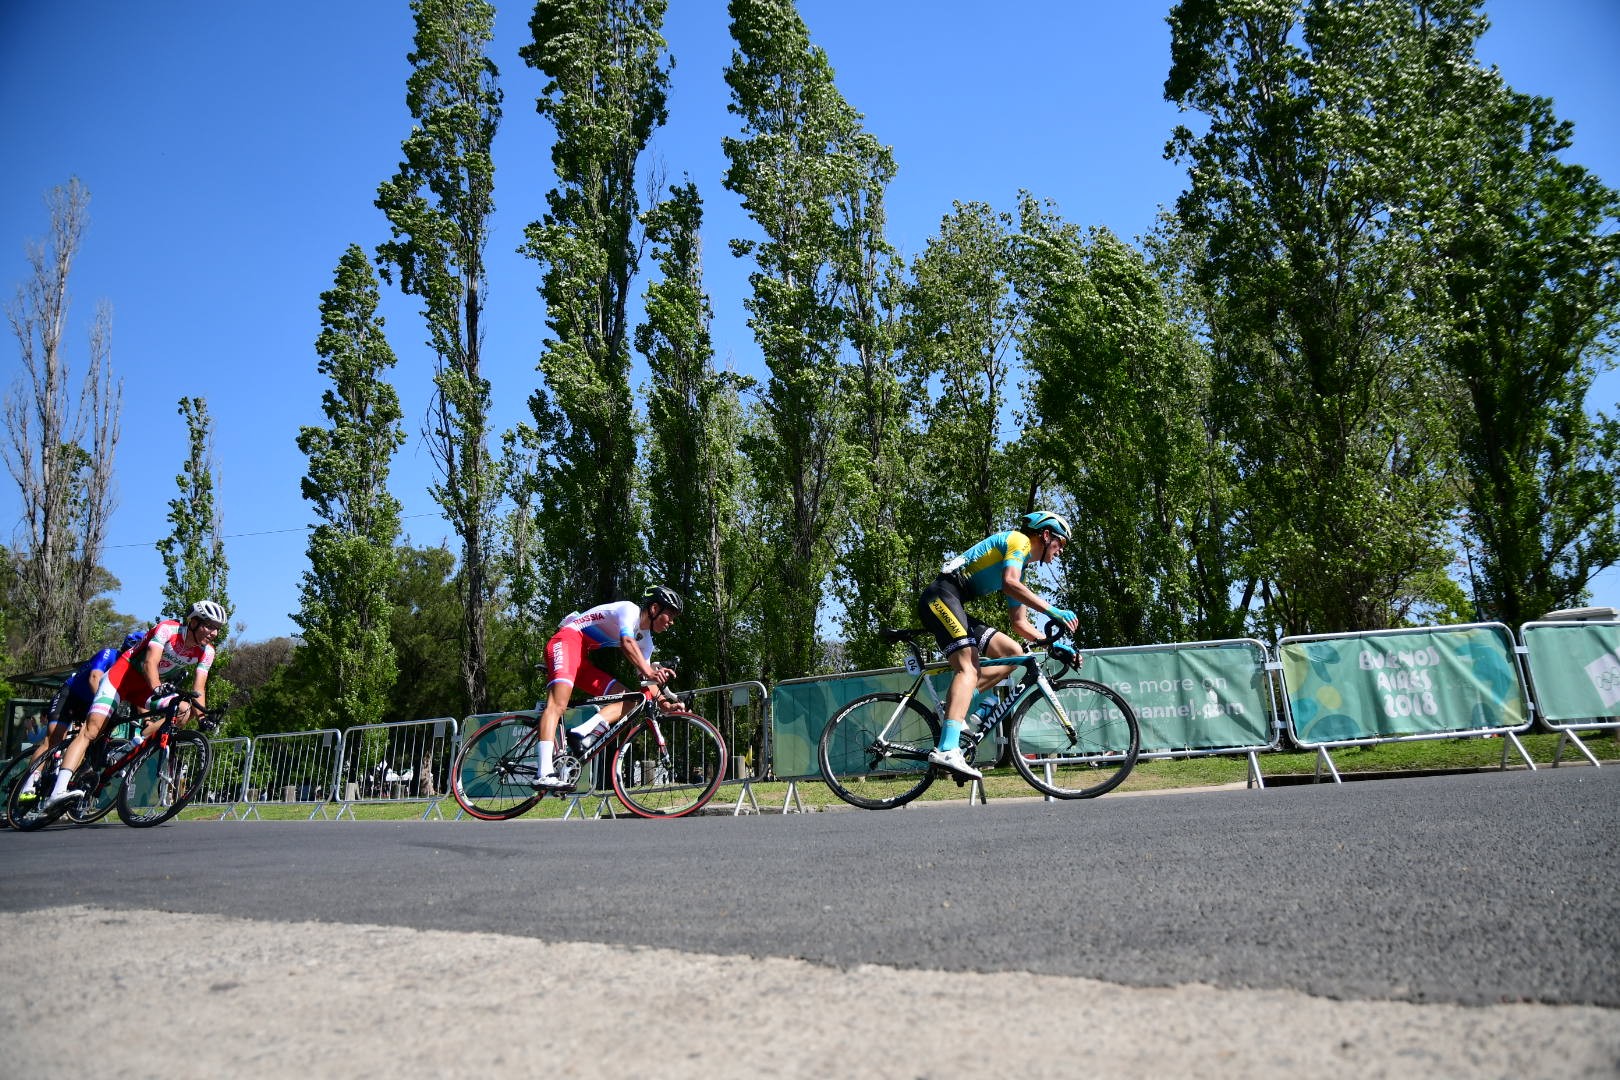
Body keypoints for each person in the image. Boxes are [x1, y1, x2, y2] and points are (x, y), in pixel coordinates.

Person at [915, 511, 1080, 781]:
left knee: (1013, 654)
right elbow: (1009, 584)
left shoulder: (1020, 567)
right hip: (940, 597)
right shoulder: (1019, 541)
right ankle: (947, 749)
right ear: (1046, 535)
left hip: (953, 603)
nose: (1061, 551)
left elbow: (1020, 624)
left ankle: (954, 705)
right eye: (1060, 543)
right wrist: (1053, 611)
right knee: (968, 668)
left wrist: (1053, 645)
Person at [40, 599, 227, 811]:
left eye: (217, 629)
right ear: (192, 621)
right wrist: (157, 686)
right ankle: (58, 791)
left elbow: (199, 689)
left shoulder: (207, 652)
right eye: (209, 626)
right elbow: (150, 663)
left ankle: (139, 742)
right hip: (121, 679)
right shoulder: (168, 629)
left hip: (146, 689)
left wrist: (203, 718)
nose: (213, 633)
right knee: (91, 731)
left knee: (185, 708)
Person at [529, 586, 683, 790]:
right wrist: (649, 670)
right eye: (670, 615)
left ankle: (580, 732)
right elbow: (626, 641)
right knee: (558, 705)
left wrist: (665, 704)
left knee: (632, 700)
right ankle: (544, 773)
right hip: (566, 640)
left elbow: (647, 684)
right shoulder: (629, 610)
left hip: (582, 657)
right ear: (654, 608)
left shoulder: (646, 642)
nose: (671, 623)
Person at [13, 629, 147, 800]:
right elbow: (94, 678)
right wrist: (103, 705)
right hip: (71, 695)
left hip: (91, 702)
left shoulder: (131, 670)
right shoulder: (109, 654)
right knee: (54, 739)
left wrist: (147, 720)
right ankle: (28, 784)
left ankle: (67, 779)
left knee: (88, 737)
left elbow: (137, 698)